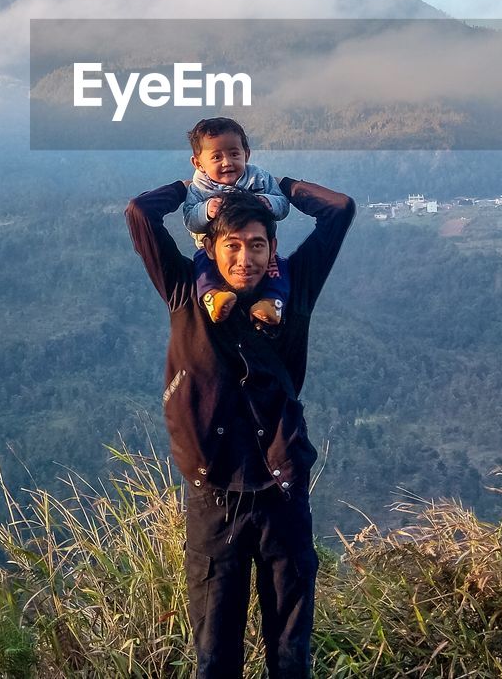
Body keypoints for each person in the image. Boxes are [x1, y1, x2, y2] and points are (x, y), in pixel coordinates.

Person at [126, 162, 355, 679]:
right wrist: (197, 189)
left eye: (257, 245)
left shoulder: (294, 291)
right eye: (232, 244)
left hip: (282, 493)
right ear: (209, 249)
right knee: (215, 655)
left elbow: (339, 209)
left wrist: (277, 186)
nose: (245, 257)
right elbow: (141, 214)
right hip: (215, 497)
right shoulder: (187, 294)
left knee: (290, 654)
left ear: (272, 250)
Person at [184, 117, 290, 327]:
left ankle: (272, 303)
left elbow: (282, 205)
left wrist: (267, 202)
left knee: (279, 268)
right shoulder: (199, 188)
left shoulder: (258, 178)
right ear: (198, 163)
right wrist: (205, 210)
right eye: (216, 157)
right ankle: (212, 297)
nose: (227, 163)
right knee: (202, 266)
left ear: (246, 154)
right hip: (215, 251)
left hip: (259, 248)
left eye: (234, 154)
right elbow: (189, 219)